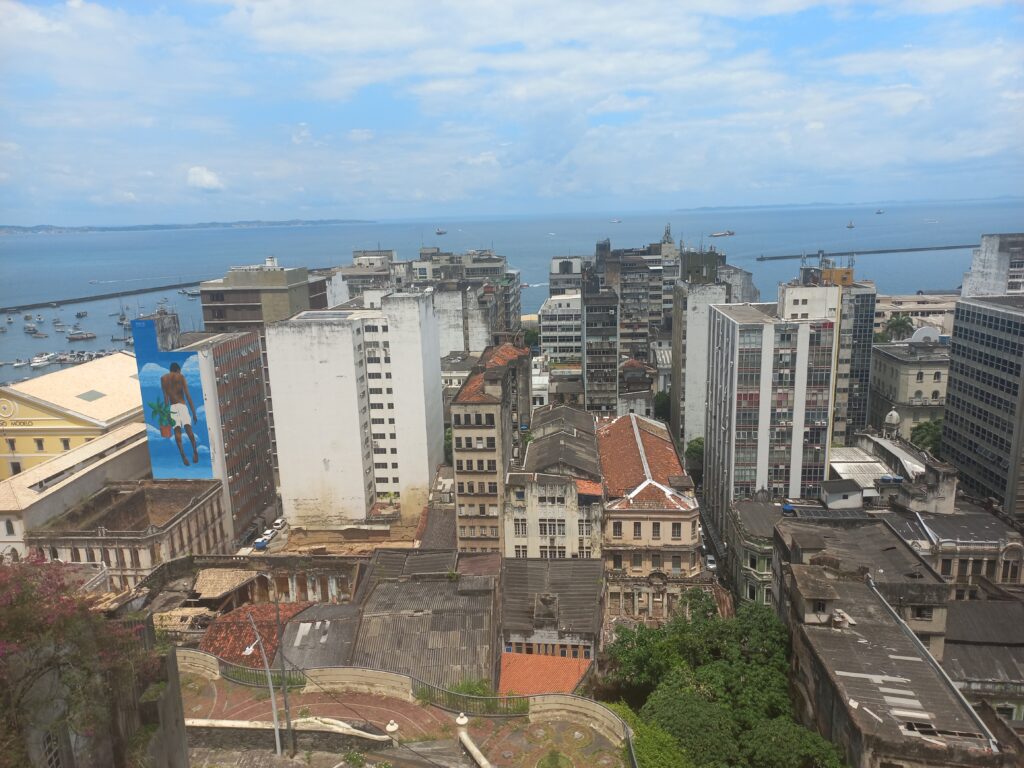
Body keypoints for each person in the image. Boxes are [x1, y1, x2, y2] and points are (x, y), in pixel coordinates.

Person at [161, 361, 199, 466]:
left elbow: (166, 399)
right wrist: (194, 413)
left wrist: (167, 414)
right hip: (182, 406)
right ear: (178, 370)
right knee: (188, 429)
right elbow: (187, 395)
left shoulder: (163, 379)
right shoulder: (180, 377)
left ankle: (183, 456)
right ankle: (195, 452)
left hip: (172, 408)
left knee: (177, 432)